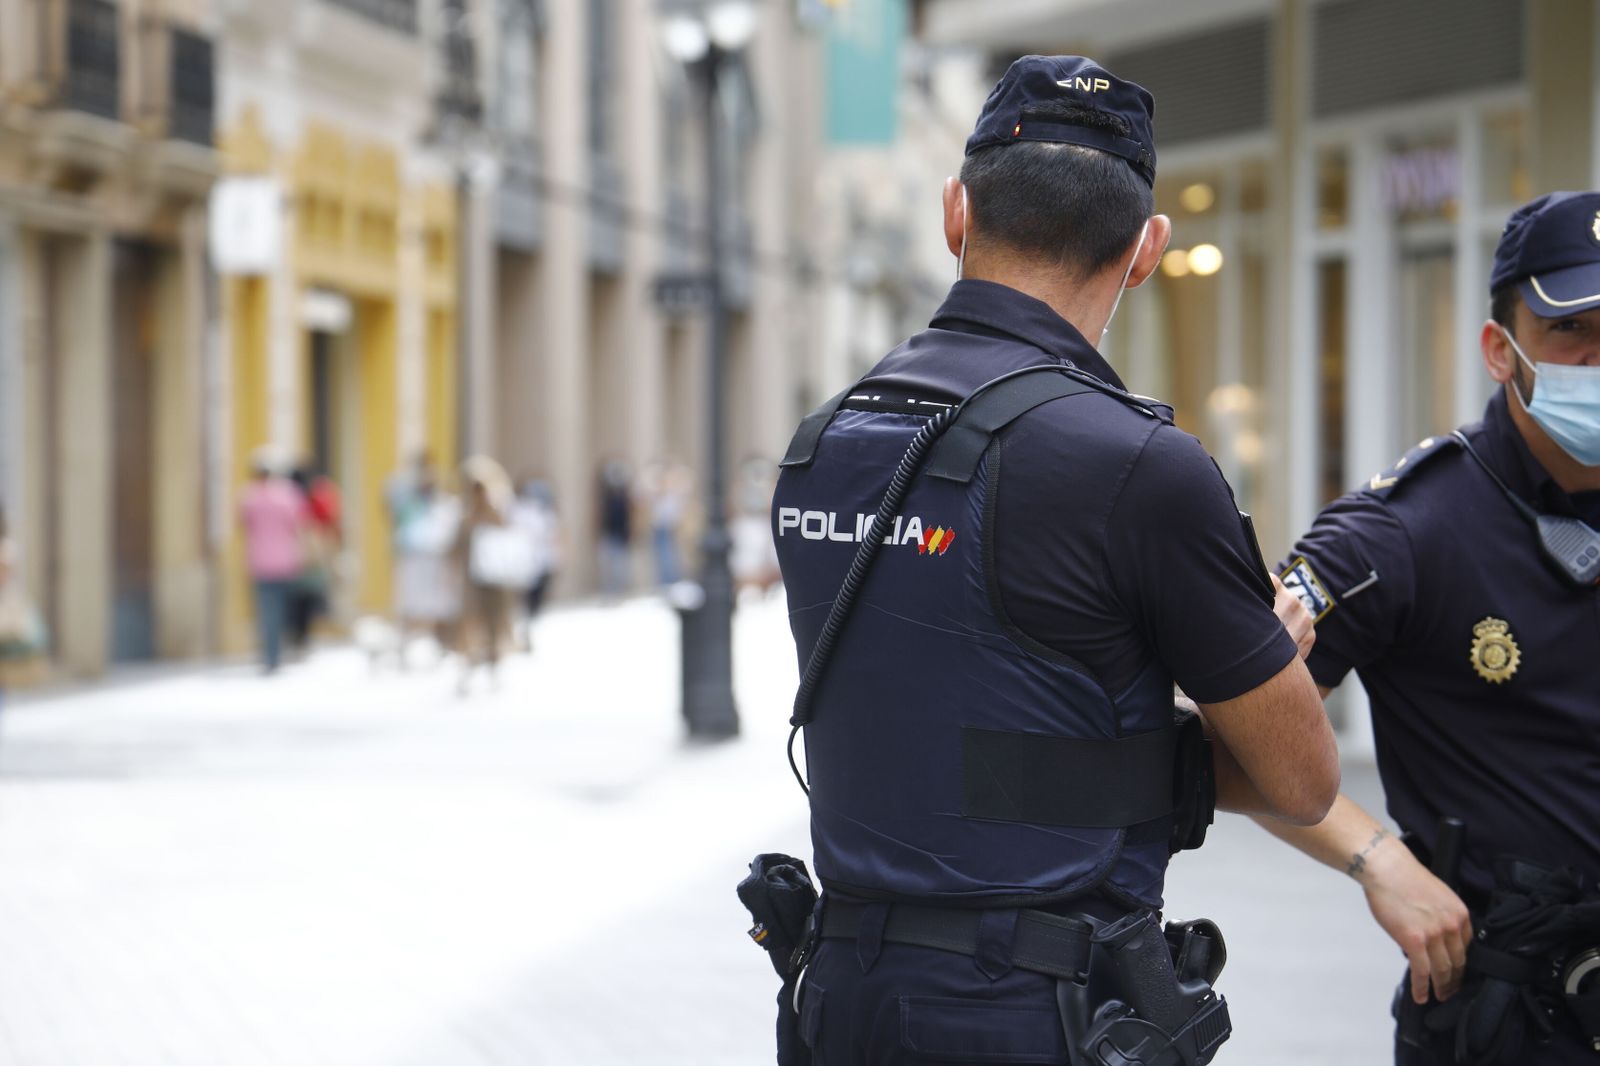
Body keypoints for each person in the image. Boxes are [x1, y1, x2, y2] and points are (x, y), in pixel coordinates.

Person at [769, 55, 1339, 1066]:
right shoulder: (1140, 470)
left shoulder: (822, 445)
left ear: (955, 214)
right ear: (1145, 249)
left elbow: (940, 705)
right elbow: (1299, 782)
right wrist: (1264, 664)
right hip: (1034, 1012)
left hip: (839, 998)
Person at [1266, 191, 1600, 1065]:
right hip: (1518, 1018)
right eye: (1576, 329)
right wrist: (1375, 858)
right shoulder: (1404, 531)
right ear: (1503, 350)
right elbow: (1227, 734)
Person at [453, 456, 518, 695]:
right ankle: (467, 670)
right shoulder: (466, 518)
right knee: (470, 627)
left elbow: (511, 545)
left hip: (496, 581)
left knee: (494, 626)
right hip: (472, 583)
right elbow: (456, 549)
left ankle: (493, 669)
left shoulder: (498, 514)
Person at [238, 449, 306, 674]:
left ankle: (269, 654)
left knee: (265, 609)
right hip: (285, 560)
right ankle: (277, 653)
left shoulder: (249, 497)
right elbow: (297, 525)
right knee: (282, 609)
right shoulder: (287, 495)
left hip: (259, 560)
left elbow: (244, 525)